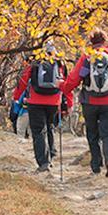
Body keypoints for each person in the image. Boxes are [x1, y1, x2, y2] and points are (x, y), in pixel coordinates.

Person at [61, 28, 108, 177]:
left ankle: (96, 166)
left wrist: (63, 87)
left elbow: (73, 79)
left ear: (91, 42)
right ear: (105, 41)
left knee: (92, 133)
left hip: (89, 101)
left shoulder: (86, 58)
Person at [12, 41, 72, 173]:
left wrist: (16, 97)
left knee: (38, 131)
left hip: (35, 101)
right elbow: (67, 84)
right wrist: (68, 103)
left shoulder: (34, 62)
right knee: (50, 126)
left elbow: (23, 80)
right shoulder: (60, 63)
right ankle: (52, 153)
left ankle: (44, 162)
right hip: (54, 102)